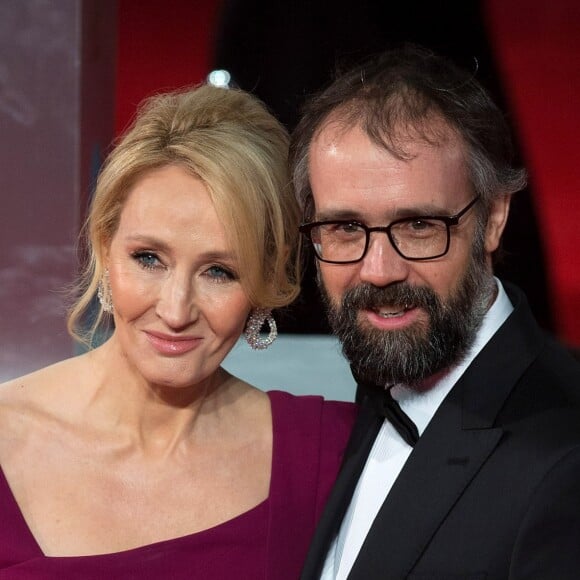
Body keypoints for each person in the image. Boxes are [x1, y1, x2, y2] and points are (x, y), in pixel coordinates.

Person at [0, 84, 356, 578]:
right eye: (149, 259)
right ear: (105, 250)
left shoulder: (329, 457)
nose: (175, 310)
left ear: (266, 282)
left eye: (219, 272)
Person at [290, 45, 580, 579]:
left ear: (493, 218)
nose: (378, 270)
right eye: (346, 228)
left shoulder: (565, 457)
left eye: (418, 226)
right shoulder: (368, 403)